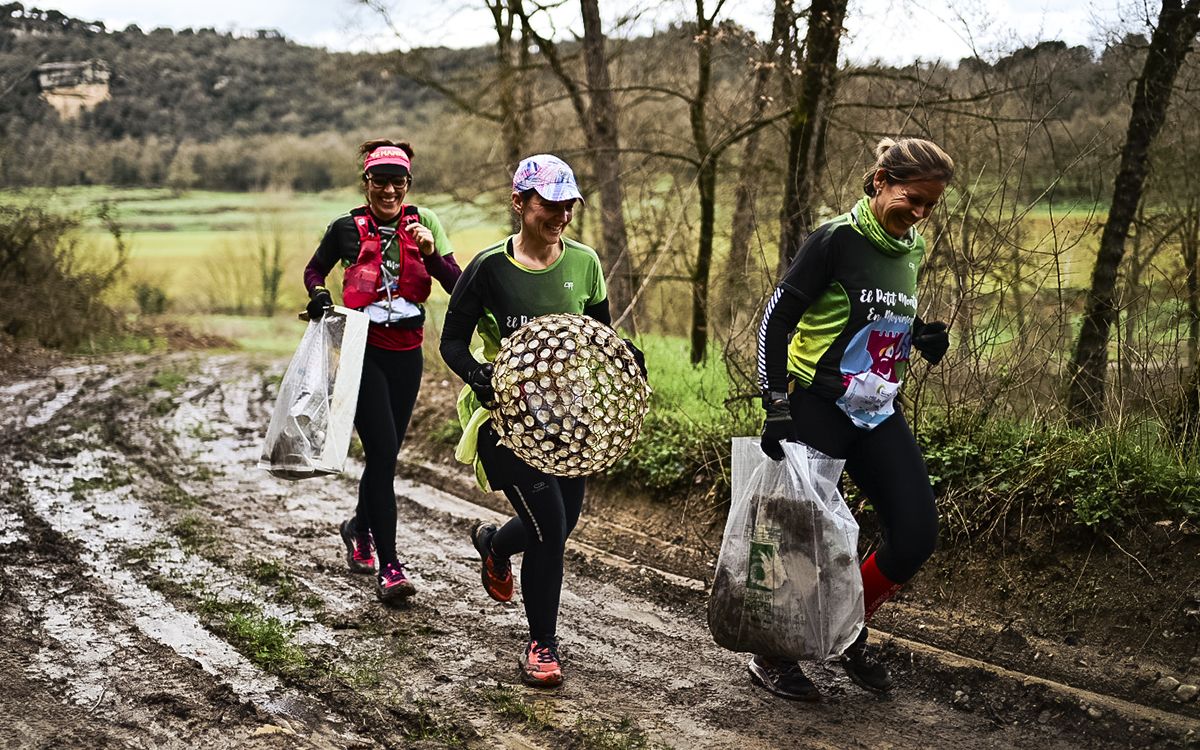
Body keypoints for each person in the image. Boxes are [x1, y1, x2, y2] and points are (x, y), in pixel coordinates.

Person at [753, 137, 954, 700]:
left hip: (878, 411)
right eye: (911, 199)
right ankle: (774, 654)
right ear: (881, 181)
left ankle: (844, 631)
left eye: (929, 207)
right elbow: (776, 318)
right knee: (801, 542)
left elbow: (871, 319)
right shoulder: (836, 240)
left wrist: (917, 335)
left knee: (914, 536)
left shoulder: (909, 247)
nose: (917, 214)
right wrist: (776, 402)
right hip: (819, 404)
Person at [440, 154, 641, 688]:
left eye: (568, 205)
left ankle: (496, 545)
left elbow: (599, 338)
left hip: (570, 425)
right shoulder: (488, 268)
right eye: (549, 205)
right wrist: (478, 375)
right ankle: (542, 645)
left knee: (557, 525)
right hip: (506, 422)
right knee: (551, 531)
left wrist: (627, 355)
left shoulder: (585, 264)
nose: (561, 216)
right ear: (520, 203)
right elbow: (451, 340)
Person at [303, 138, 461, 602]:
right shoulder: (345, 228)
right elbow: (315, 271)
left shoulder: (426, 222)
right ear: (366, 182)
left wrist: (431, 252)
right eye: (380, 181)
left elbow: (456, 284)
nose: (389, 191)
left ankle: (357, 527)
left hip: (408, 349)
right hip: (361, 348)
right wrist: (320, 297)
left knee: (383, 456)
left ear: (408, 184)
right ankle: (390, 567)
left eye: (398, 183)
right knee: (385, 452)